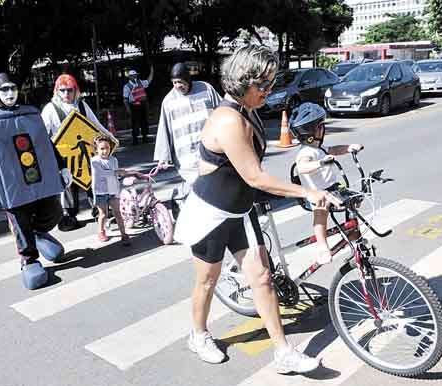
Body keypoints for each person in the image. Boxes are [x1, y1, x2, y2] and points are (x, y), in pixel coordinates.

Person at [173, 45, 341, 374]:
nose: (269, 90)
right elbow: (255, 176)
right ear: (242, 81)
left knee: (262, 278)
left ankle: (283, 352)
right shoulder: (227, 119)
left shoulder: (248, 110)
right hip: (211, 213)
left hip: (242, 208)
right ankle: (198, 334)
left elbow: (259, 166)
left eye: (271, 83)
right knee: (207, 280)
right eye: (262, 85)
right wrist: (309, 192)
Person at [0, 73, 72, 290]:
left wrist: (61, 165)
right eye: (4, 89)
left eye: (13, 88)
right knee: (20, 221)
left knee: (53, 211)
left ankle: (38, 233)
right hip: (11, 185)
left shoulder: (31, 114)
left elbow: (46, 143)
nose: (9, 93)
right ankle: (29, 259)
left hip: (38, 178)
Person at [290, 102, 364, 264]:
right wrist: (320, 163)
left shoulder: (319, 148)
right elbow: (302, 167)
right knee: (321, 209)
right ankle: (322, 246)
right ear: (311, 132)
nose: (324, 129)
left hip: (332, 188)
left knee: (354, 198)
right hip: (316, 194)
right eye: (321, 126)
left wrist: (349, 147)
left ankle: (351, 229)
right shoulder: (306, 152)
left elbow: (335, 150)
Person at [153, 62, 222, 216]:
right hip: (186, 156)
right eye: (174, 83)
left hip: (210, 149)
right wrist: (163, 157)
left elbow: (222, 110)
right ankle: (181, 199)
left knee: (212, 182)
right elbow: (164, 129)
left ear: (188, 79)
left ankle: (210, 212)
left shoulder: (206, 89)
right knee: (197, 184)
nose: (177, 86)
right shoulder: (168, 101)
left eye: (180, 82)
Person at [42, 74, 107, 231]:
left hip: (85, 155)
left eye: (69, 90)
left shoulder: (82, 105)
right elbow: (42, 133)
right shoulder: (50, 109)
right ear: (57, 91)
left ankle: (99, 210)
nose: (66, 94)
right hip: (63, 156)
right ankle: (68, 216)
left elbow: (96, 126)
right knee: (68, 185)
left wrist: (109, 139)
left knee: (92, 181)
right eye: (62, 90)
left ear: (75, 90)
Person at [90, 134, 131, 246]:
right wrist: (116, 172)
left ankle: (124, 234)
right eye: (102, 149)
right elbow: (102, 173)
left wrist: (120, 175)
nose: (105, 151)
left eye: (107, 148)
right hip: (100, 191)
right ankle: (101, 231)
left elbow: (116, 174)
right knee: (103, 214)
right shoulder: (94, 161)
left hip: (113, 190)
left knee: (117, 213)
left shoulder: (113, 159)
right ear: (96, 149)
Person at [123, 66, 154, 145]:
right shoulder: (127, 86)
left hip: (143, 105)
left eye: (135, 75)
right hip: (134, 106)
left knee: (144, 121)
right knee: (135, 123)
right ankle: (135, 139)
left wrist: (152, 71)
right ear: (129, 77)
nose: (134, 76)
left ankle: (145, 137)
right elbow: (125, 99)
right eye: (132, 75)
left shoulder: (140, 82)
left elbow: (149, 80)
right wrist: (128, 109)